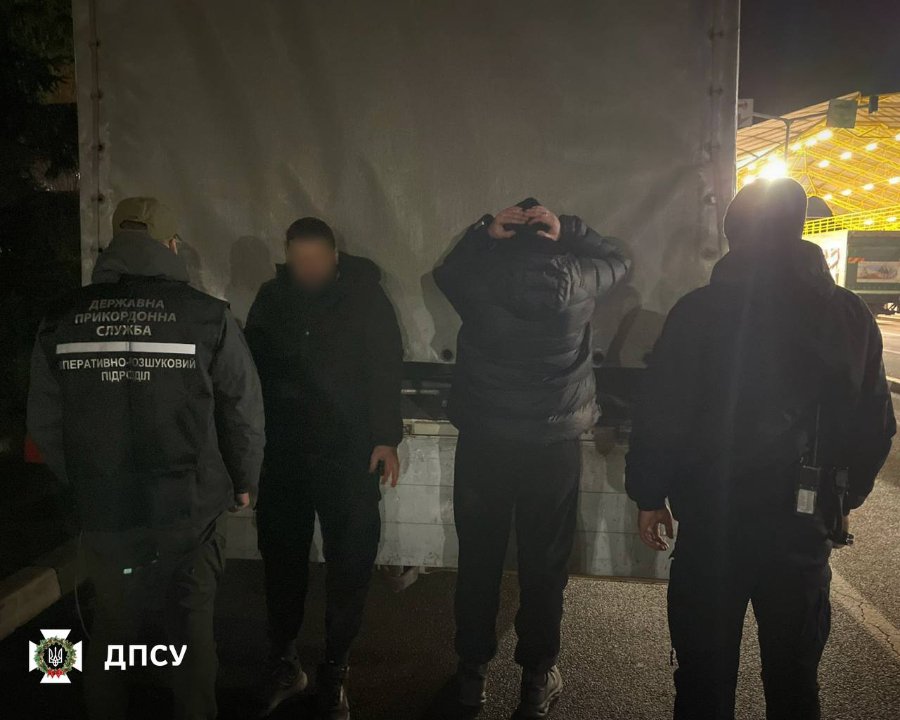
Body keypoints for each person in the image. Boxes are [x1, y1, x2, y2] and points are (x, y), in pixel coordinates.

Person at [626, 178, 895, 720]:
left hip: (713, 527)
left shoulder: (698, 311)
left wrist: (650, 495)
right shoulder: (848, 315)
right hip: (802, 527)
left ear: (733, 235)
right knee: (795, 680)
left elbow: (664, 413)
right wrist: (842, 498)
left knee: (703, 678)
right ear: (798, 229)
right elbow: (874, 425)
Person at [27, 197, 265, 720]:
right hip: (190, 510)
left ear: (114, 244)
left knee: (112, 625)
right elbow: (243, 410)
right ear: (171, 246)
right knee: (191, 628)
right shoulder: (207, 316)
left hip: (107, 510)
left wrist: (86, 482)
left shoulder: (62, 318)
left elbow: (45, 425)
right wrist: (244, 482)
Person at [433, 200, 630, 717]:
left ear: (509, 236)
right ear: (549, 237)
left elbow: (446, 272)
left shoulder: (477, 280)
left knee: (479, 560)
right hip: (552, 447)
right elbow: (619, 260)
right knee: (545, 565)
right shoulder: (581, 280)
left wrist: (484, 230)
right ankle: (536, 681)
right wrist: (571, 228)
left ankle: (472, 678)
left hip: (486, 444)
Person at [244, 217, 403, 720]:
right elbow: (248, 375)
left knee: (350, 566)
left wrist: (386, 438)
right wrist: (249, 448)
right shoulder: (270, 298)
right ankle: (284, 662)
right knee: (281, 563)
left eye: (315, 259)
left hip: (349, 455)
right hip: (283, 456)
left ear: (335, 256)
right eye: (299, 260)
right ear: (287, 257)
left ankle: (335, 669)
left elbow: (386, 368)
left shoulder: (366, 298)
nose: (307, 268)